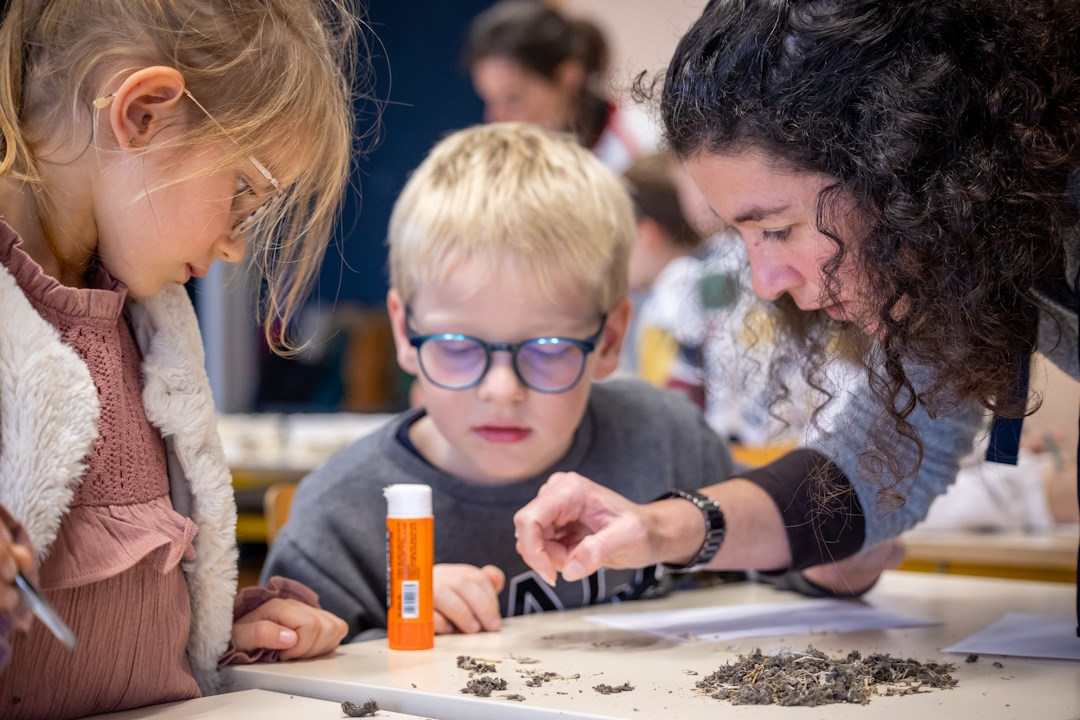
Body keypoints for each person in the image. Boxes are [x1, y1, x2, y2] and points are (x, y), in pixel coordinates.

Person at [513, 0, 1080, 616]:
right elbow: (871, 472)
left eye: (777, 229)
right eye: (742, 238)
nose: (764, 281)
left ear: (905, 168)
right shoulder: (942, 264)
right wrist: (657, 530)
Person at [0, 0, 361, 716]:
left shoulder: (147, 324)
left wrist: (215, 630)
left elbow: (126, 610)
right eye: (243, 195)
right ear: (143, 113)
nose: (234, 245)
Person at [260, 122, 738, 640]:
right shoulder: (339, 515)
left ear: (609, 339)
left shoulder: (669, 440)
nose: (502, 389)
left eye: (549, 348)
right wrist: (397, 633)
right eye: (458, 347)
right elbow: (284, 678)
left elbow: (794, 572)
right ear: (405, 331)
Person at [465, 0, 656, 171]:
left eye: (512, 99)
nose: (495, 118)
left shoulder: (641, 149)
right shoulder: (506, 165)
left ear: (568, 78)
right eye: (489, 100)